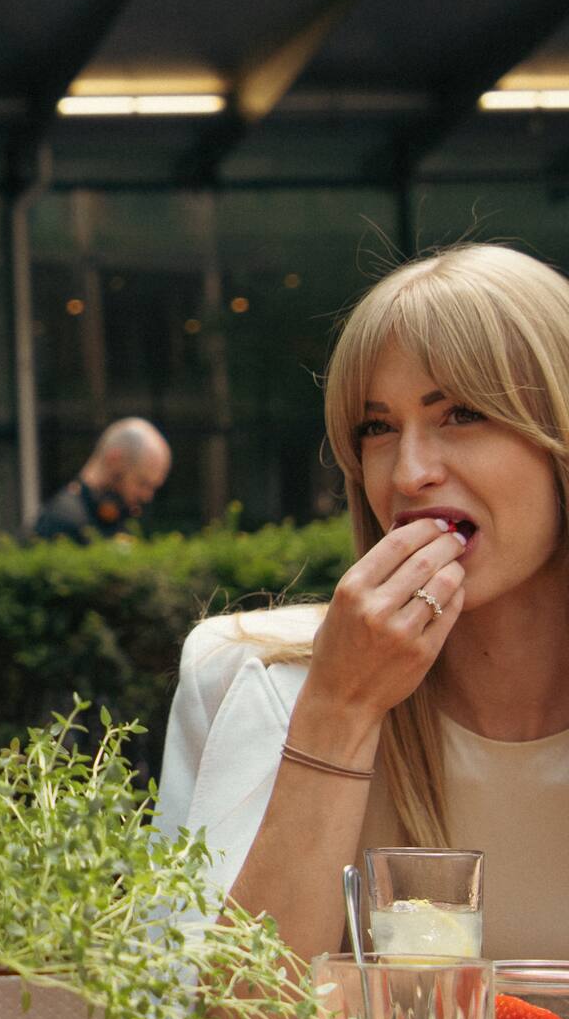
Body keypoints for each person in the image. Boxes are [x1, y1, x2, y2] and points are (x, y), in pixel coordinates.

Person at [156, 244, 569, 963]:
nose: (409, 473)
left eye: (462, 414)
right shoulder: (251, 680)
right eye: (376, 429)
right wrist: (340, 708)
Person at [31, 417, 172, 541]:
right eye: (142, 483)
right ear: (114, 460)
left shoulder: (120, 519)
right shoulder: (61, 522)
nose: (147, 496)